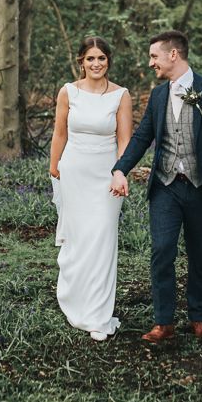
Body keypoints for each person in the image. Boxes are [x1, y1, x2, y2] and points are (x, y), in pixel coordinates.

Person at [110, 30, 202, 342]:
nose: (151, 62)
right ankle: (163, 321)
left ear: (173, 55)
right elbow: (143, 136)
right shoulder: (158, 96)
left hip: (201, 188)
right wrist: (120, 169)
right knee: (162, 250)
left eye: (154, 56)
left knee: (200, 253)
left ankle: (198, 316)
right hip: (165, 186)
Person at [49, 36, 132, 342]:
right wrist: (54, 167)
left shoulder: (120, 95)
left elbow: (125, 140)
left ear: (108, 61)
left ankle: (98, 314)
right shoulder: (68, 91)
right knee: (79, 239)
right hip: (74, 171)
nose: (96, 64)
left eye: (101, 58)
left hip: (106, 176)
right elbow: (60, 133)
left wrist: (121, 172)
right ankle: (75, 300)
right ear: (81, 62)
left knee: (103, 238)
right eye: (90, 59)